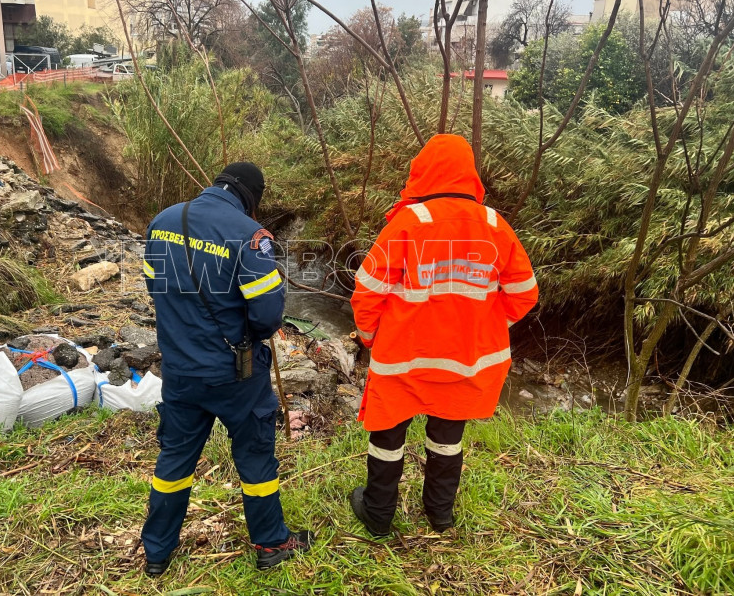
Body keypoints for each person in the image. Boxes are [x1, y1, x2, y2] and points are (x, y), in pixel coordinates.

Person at [349, 134, 538, 537]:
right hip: (465, 360)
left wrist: (370, 337)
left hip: (403, 359)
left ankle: (378, 514)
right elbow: (524, 294)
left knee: (388, 437)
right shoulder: (494, 224)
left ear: (423, 171)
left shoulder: (409, 222)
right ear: (470, 173)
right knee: (447, 439)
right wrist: (487, 326)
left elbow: (367, 291)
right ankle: (440, 514)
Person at [140, 162, 313, 576]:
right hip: (236, 374)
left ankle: (157, 553)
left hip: (180, 370)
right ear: (251, 196)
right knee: (255, 458)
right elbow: (268, 316)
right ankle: (272, 544)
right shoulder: (249, 235)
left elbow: (154, 287)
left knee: (175, 459)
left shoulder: (163, 222)